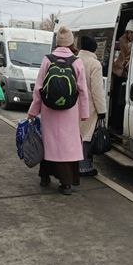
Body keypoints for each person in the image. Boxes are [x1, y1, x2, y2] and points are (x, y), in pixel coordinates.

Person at [28, 26, 89, 195]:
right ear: (71, 42)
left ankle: (45, 176)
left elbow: (39, 87)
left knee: (49, 144)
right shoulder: (77, 62)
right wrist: (84, 113)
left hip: (49, 110)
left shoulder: (47, 60)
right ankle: (67, 183)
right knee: (68, 146)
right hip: (70, 111)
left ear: (57, 42)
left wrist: (33, 111)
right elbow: (83, 90)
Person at [77, 36, 107, 176]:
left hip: (74, 105)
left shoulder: (75, 60)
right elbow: (97, 90)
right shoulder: (95, 64)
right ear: (94, 48)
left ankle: (73, 165)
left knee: (76, 135)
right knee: (87, 137)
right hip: (89, 107)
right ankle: (84, 167)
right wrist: (102, 110)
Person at [111, 19, 133, 132]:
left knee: (124, 103)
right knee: (119, 102)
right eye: (128, 32)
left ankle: (120, 127)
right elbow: (118, 59)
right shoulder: (122, 42)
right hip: (120, 75)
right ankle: (116, 126)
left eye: (132, 32)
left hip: (129, 77)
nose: (130, 34)